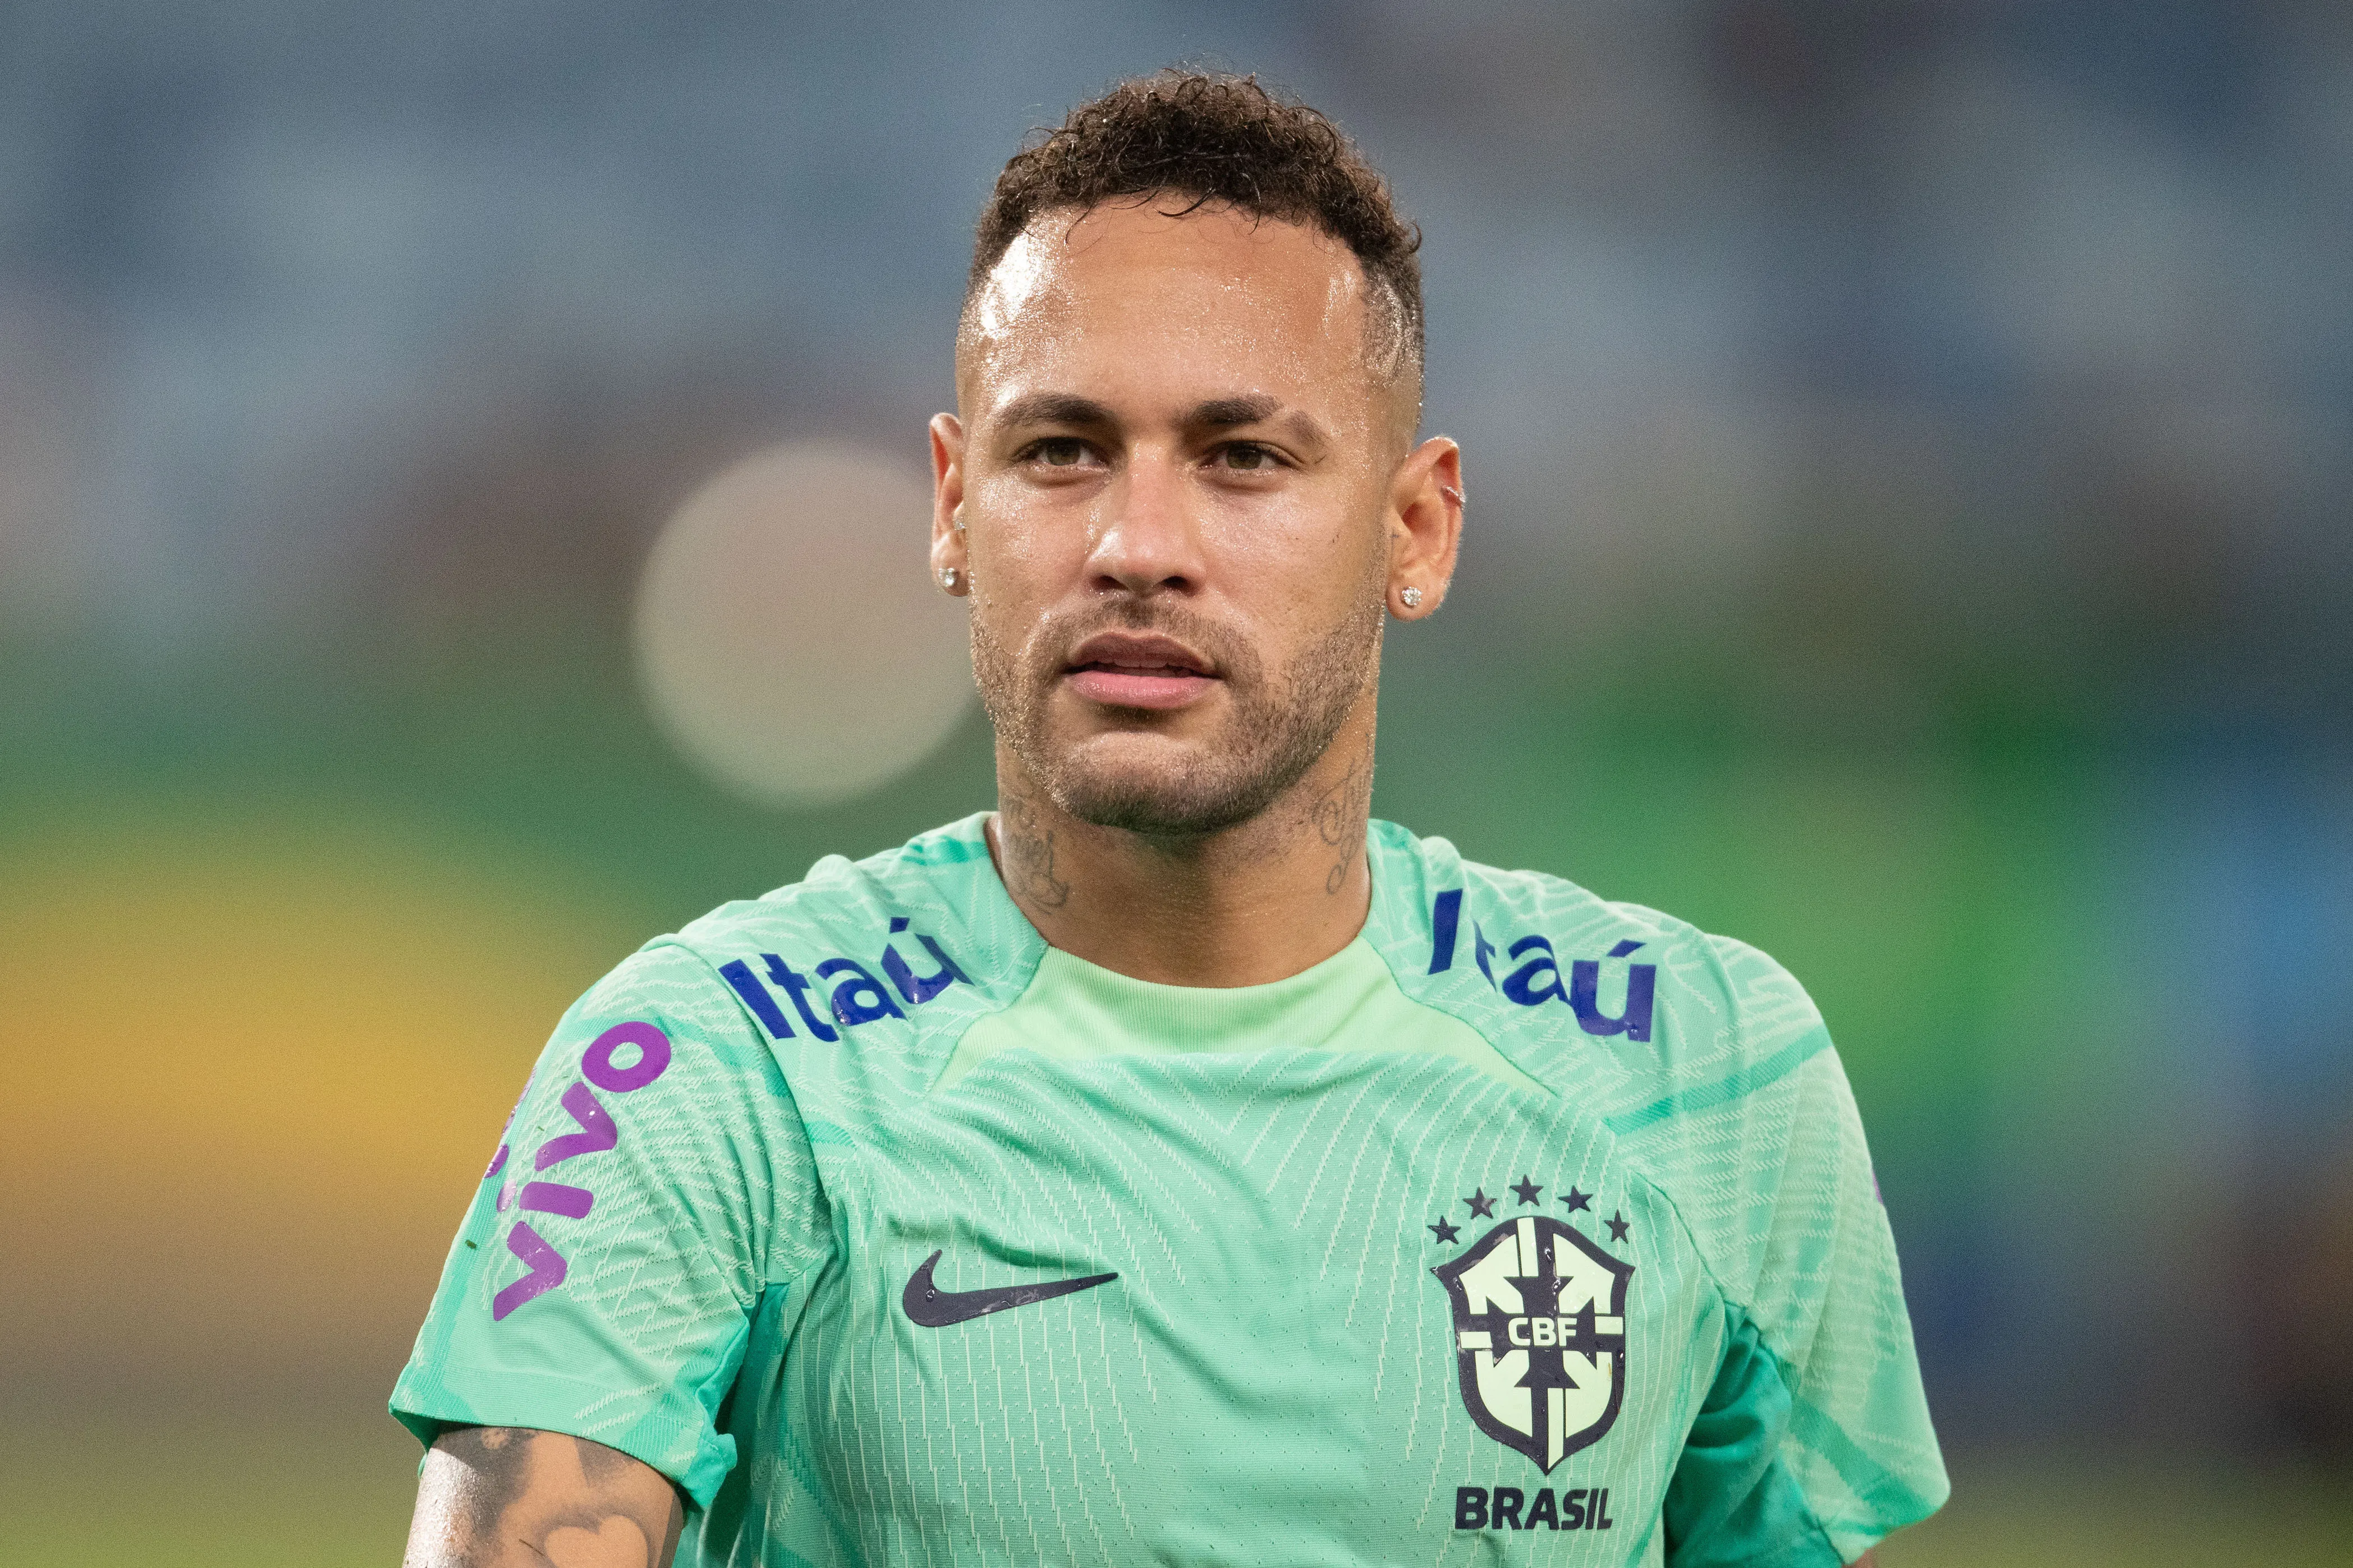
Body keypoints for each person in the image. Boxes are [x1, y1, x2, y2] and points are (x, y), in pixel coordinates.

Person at [394, 70, 1947, 1568]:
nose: (1141, 544)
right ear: (952, 508)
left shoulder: (1705, 1072)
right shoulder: (709, 1069)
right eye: (1061, 451)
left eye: (1243, 459)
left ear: (1416, 526)